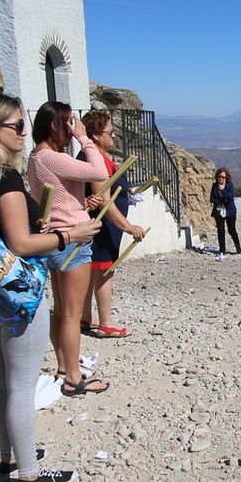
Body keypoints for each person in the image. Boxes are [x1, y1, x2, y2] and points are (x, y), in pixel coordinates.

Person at [0, 91, 98, 482]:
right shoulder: (4, 176)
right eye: (16, 126)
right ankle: (29, 474)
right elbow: (20, 243)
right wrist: (72, 233)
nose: (23, 132)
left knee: (0, 377)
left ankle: (10, 456)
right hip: (14, 289)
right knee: (22, 383)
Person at [26, 100, 111, 397]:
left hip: (57, 237)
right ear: (55, 125)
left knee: (61, 311)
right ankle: (74, 377)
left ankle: (64, 367)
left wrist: (80, 203)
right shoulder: (50, 156)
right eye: (69, 123)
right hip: (72, 241)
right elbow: (99, 170)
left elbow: (60, 196)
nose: (72, 128)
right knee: (72, 315)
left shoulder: (35, 157)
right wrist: (85, 138)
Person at [75, 110, 144, 338]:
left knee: (93, 271)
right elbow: (104, 197)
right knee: (104, 271)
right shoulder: (91, 157)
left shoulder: (98, 156)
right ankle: (105, 322)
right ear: (95, 134)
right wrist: (128, 226)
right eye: (109, 132)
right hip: (102, 226)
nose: (113, 136)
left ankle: (84, 317)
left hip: (105, 226)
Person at [210, 167, 240, 255]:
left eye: (223, 177)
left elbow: (230, 197)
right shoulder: (214, 186)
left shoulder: (229, 185)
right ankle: (222, 249)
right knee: (220, 230)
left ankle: (238, 246)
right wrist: (221, 200)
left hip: (230, 211)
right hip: (218, 210)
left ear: (226, 177)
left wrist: (222, 194)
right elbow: (212, 199)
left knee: (231, 230)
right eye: (219, 176)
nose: (221, 178)